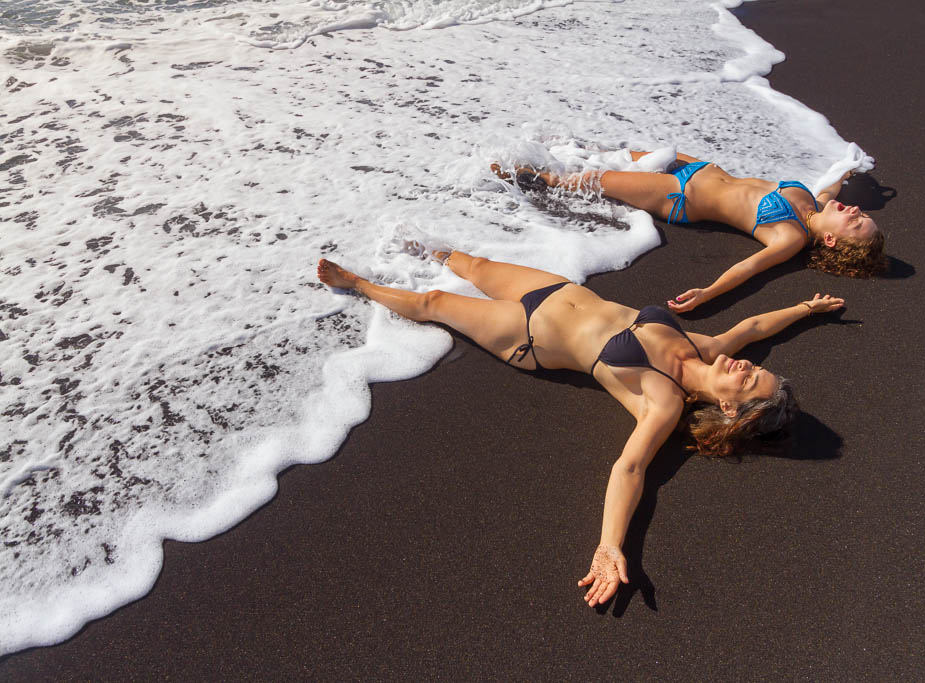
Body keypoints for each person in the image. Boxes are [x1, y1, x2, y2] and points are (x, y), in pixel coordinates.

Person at [316, 251, 843, 606]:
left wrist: (610, 546)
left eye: (748, 381)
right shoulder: (706, 347)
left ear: (729, 408)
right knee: (469, 262)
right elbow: (753, 327)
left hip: (527, 334)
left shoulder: (663, 403)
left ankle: (355, 282)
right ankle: (408, 240)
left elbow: (630, 469)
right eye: (755, 369)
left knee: (432, 303)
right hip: (556, 290)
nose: (746, 366)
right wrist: (807, 307)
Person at [493, 150, 884, 312]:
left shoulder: (791, 237)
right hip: (695, 166)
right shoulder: (813, 201)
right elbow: (832, 186)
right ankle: (533, 156)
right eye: (860, 212)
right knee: (598, 154)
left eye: (855, 221)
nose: (853, 210)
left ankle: (499, 175)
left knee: (576, 181)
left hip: (679, 196)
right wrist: (848, 170)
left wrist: (707, 293)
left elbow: (749, 269)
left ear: (830, 240)